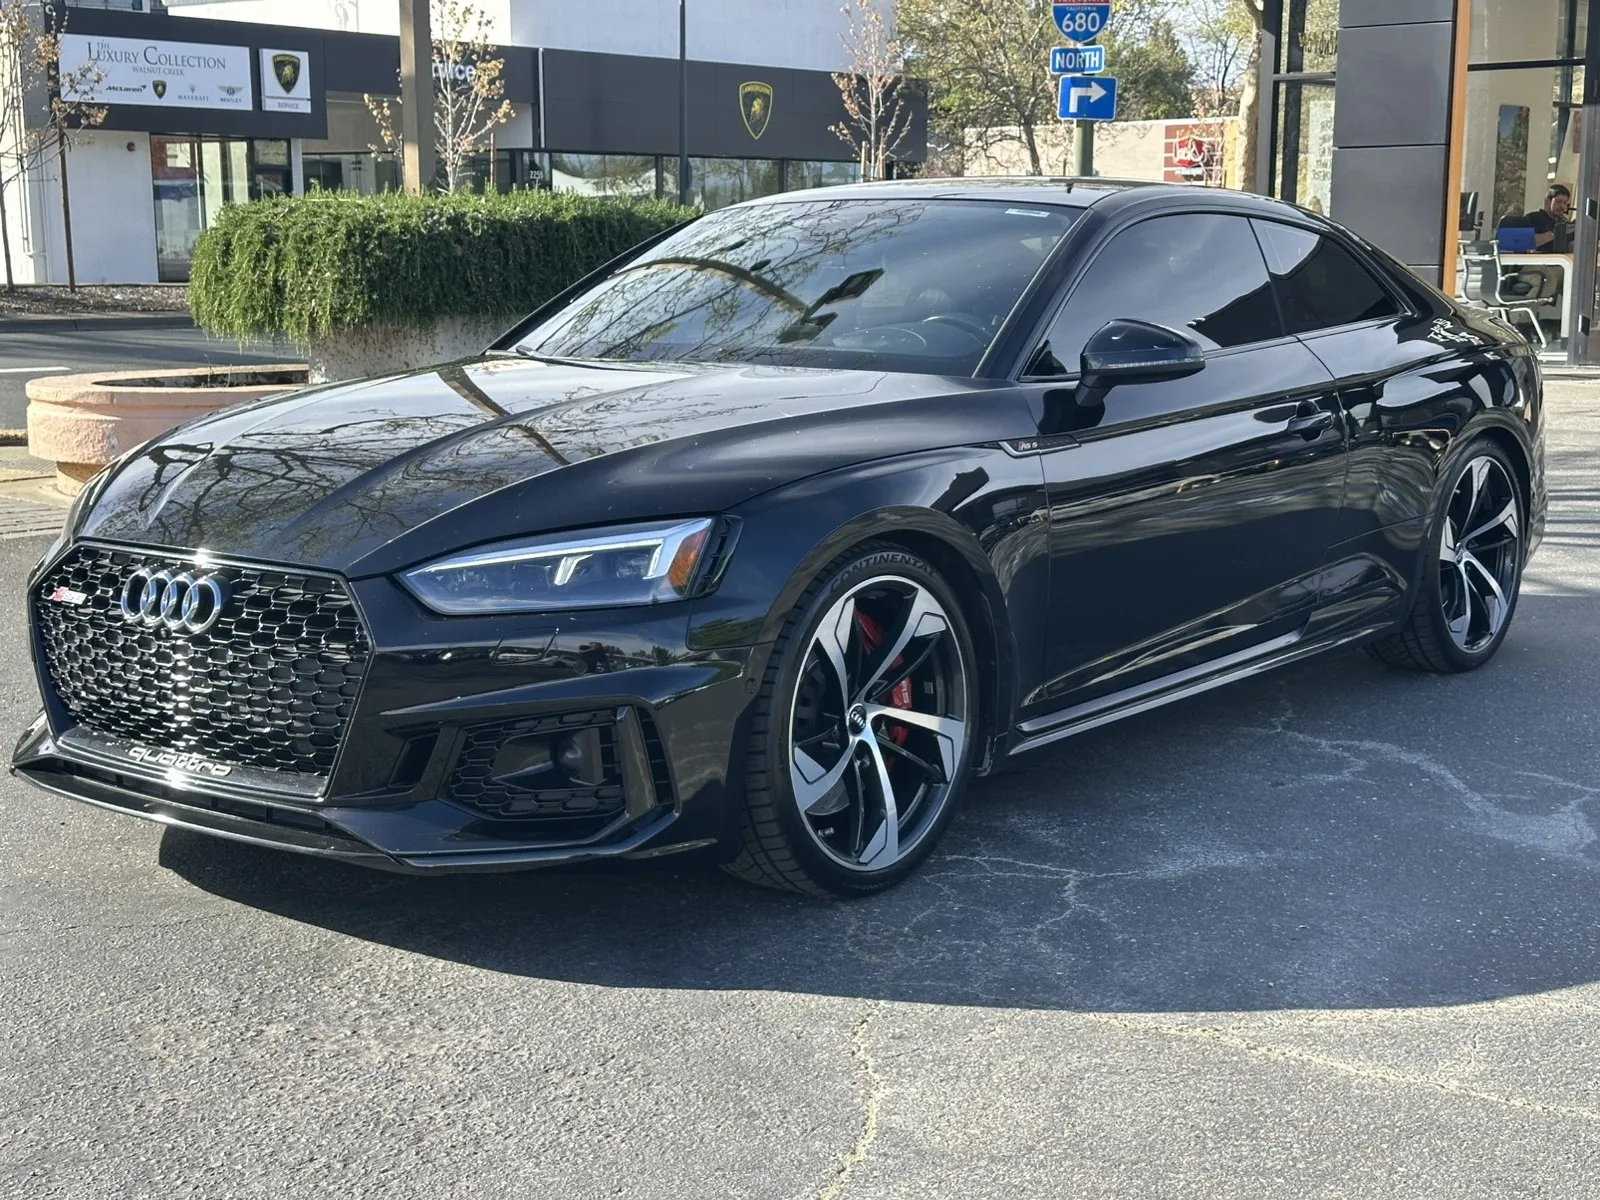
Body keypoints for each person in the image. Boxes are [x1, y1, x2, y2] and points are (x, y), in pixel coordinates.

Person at [1523, 184, 1572, 252]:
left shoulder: (1564, 222)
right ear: (1547, 201)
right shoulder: (1532, 219)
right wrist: (1553, 235)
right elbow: (1524, 242)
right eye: (1558, 202)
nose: (1562, 206)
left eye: (1565, 203)